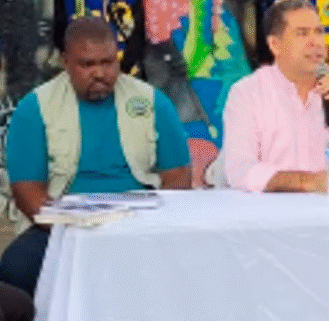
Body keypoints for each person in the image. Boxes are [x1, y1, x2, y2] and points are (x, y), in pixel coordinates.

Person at [0, 17, 191, 296]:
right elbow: (28, 193)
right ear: (65, 62)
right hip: (62, 227)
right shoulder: (35, 108)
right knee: (15, 270)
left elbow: (179, 176)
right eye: (87, 64)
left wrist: (149, 226)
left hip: (139, 224)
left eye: (108, 62)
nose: (100, 73)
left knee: (194, 264)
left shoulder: (152, 102)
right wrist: (76, 230)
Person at [222, 0, 329, 192]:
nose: (316, 42)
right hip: (271, 209)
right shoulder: (247, 93)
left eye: (319, 32)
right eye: (302, 33)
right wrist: (306, 182)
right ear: (275, 45)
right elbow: (240, 170)